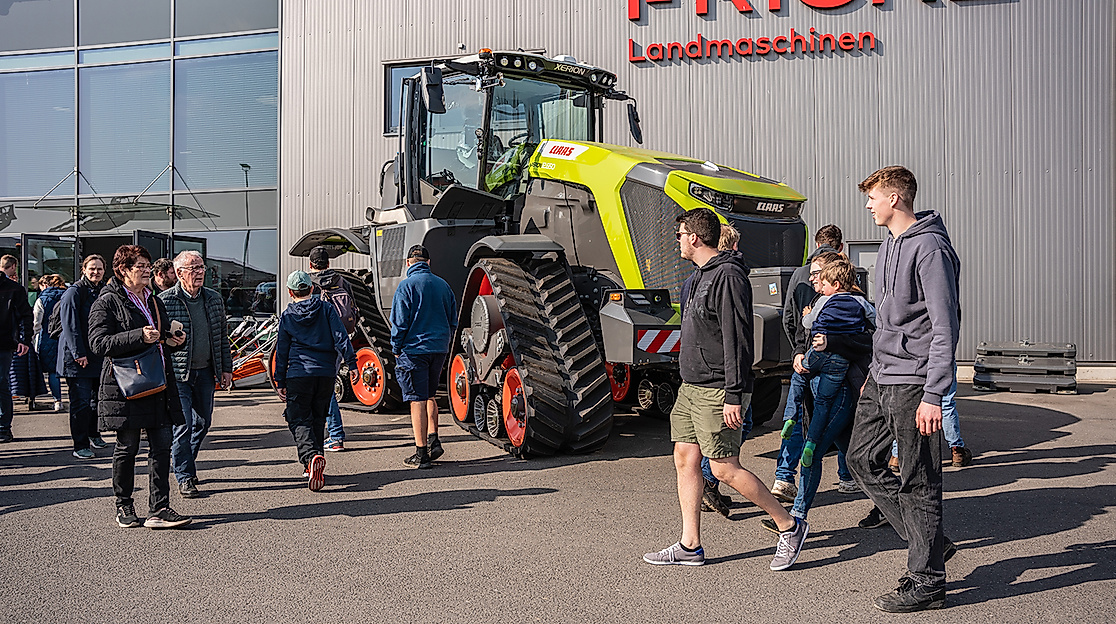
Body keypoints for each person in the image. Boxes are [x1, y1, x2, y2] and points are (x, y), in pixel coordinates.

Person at [643, 208, 807, 571]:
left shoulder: (729, 276)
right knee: (685, 459)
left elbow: (737, 339)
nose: (678, 241)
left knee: (724, 469)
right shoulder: (697, 277)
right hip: (692, 386)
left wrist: (735, 393)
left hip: (718, 389)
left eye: (680, 234)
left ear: (695, 238)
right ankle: (690, 545)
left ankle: (789, 526)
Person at [847, 166, 961, 612]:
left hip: (915, 382)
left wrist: (935, 393)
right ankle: (929, 543)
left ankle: (928, 581)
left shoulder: (929, 247)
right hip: (883, 375)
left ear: (895, 198)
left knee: (919, 481)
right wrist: (872, 373)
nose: (868, 205)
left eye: (873, 197)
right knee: (860, 458)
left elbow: (944, 325)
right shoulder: (891, 244)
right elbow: (887, 319)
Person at [88, 245, 191, 529]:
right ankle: (124, 506)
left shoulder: (153, 300)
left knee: (161, 446)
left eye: (148, 266)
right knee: (127, 447)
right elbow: (99, 344)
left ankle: (159, 509)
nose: (147, 271)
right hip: (125, 386)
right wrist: (138, 336)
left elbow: (160, 338)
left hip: (157, 382)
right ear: (123, 270)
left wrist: (172, 339)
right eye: (141, 267)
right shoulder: (107, 301)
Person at [772, 227, 857, 503]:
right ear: (839, 246)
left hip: (804, 358)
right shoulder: (842, 275)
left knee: (798, 412)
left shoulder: (799, 273)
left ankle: (784, 476)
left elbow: (789, 319)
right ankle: (847, 476)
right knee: (837, 418)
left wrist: (798, 351)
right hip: (833, 364)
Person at [158, 251, 233, 499]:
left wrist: (226, 369)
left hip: (205, 372)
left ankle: (184, 461)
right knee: (184, 425)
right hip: (178, 374)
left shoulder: (213, 299)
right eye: (193, 268)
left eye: (201, 267)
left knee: (203, 423)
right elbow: (157, 340)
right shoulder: (164, 301)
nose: (200, 272)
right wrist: (169, 340)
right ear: (179, 273)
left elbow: (222, 336)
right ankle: (185, 476)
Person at [274, 271, 357, 491]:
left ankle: (310, 457)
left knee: (298, 418)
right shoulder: (326, 309)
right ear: (312, 289)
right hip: (325, 373)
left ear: (290, 292)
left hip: (299, 372)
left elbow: (282, 351)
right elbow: (341, 337)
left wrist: (279, 380)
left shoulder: (288, 316)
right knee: (319, 417)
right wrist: (352, 363)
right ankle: (314, 461)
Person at [390, 245, 457, 468]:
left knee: (416, 399)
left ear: (408, 263)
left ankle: (421, 454)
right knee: (430, 394)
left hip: (414, 350)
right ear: (428, 263)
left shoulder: (405, 286)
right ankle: (433, 439)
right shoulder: (443, 285)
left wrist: (396, 347)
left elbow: (399, 323)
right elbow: (453, 319)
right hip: (439, 348)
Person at [59, 255, 108, 458]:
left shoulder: (103, 290)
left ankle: (93, 434)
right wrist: (79, 353)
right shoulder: (74, 292)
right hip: (76, 357)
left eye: (99, 269)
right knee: (80, 402)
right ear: (83, 270)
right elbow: (70, 326)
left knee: (97, 399)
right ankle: (80, 445)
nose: (95, 272)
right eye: (92, 268)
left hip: (97, 355)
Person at [307, 245, 354, 452]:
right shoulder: (341, 281)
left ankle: (335, 436)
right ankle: (332, 434)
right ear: (328, 263)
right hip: (338, 339)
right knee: (327, 387)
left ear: (311, 264)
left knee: (321, 390)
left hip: (316, 342)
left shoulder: (308, 283)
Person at [0, 255, 33, 443]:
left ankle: (4, 426)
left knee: (1, 382)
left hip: (4, 343)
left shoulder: (13, 289)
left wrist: (24, 339)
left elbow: (25, 316)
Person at [32, 274, 66, 412]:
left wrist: (31, 337)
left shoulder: (42, 299)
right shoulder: (68, 295)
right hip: (65, 338)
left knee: (52, 372)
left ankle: (58, 400)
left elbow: (36, 323)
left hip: (47, 338)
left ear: (44, 285)